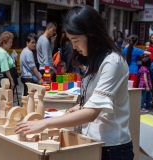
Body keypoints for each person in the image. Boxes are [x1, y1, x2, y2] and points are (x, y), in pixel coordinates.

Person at [15, 5, 134, 160]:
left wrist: (45, 123)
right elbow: (93, 100)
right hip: (92, 141)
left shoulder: (113, 62)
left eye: (76, 40)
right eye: (71, 41)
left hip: (112, 148)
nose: (74, 46)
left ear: (92, 35)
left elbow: (92, 113)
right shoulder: (94, 60)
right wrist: (79, 107)